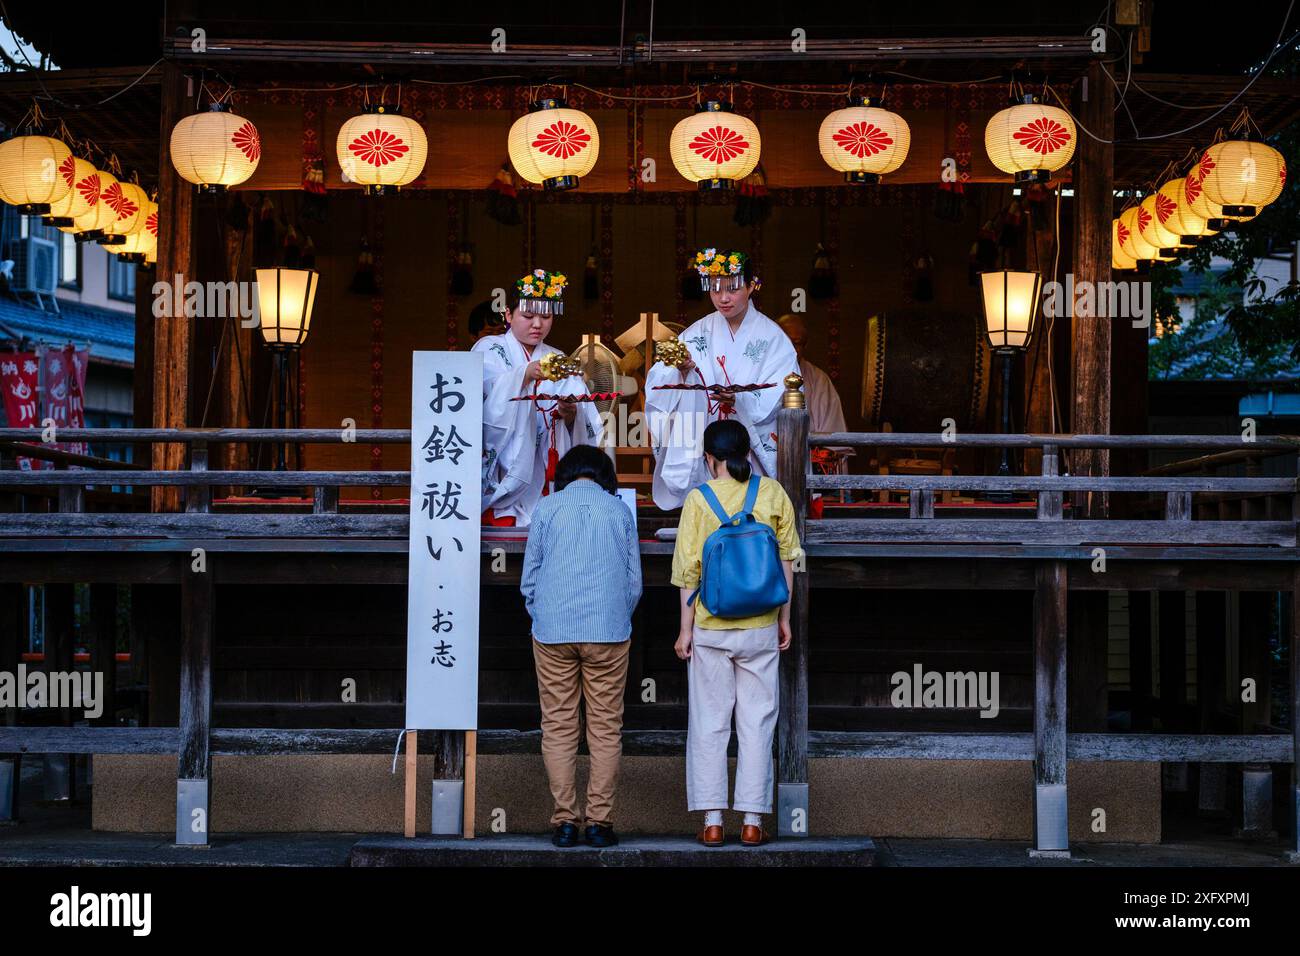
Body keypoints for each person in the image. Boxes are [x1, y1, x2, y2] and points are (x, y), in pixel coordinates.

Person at [670, 419, 802, 847]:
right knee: (757, 722)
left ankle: (711, 820)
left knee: (709, 723)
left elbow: (687, 571)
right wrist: (784, 617)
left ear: (710, 458)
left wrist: (684, 630)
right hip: (760, 626)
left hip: (711, 627)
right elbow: (788, 560)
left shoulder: (698, 500)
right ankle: (751, 820)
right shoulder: (772, 492)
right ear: (746, 454)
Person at [520, 445, 642, 847]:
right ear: (605, 476)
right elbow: (633, 582)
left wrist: (541, 614)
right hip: (608, 632)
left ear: (566, 474)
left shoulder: (547, 508)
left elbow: (530, 579)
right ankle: (600, 824)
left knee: (557, 725)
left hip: (553, 631)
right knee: (606, 728)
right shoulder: (619, 511)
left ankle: (565, 822)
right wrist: (617, 615)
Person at [645, 248, 799, 511]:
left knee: (755, 508)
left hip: (749, 438)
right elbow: (658, 382)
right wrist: (682, 371)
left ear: (751, 286)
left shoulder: (773, 338)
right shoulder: (697, 332)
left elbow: (781, 388)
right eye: (716, 289)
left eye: (733, 289)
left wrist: (741, 399)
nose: (723, 298)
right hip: (708, 441)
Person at [472, 269, 604, 527]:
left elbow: (585, 421)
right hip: (503, 465)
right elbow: (481, 403)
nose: (537, 324)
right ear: (508, 315)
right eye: (528, 315)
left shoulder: (558, 357)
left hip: (544, 464)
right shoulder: (488, 348)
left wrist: (570, 414)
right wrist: (522, 375)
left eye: (545, 316)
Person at [777, 313, 854, 479]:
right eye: (785, 341)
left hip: (807, 468)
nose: (790, 349)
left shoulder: (819, 380)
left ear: (804, 346)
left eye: (796, 344)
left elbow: (834, 439)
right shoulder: (756, 375)